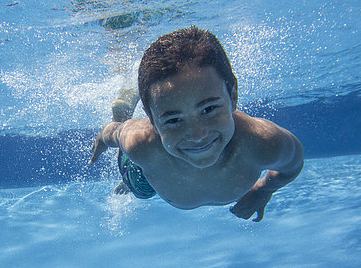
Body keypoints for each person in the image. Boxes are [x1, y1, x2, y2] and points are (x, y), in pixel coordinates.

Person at [89, 26, 304, 222]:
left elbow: (293, 165)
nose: (197, 134)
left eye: (208, 109)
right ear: (152, 120)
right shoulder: (140, 144)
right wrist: (102, 139)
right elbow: (114, 133)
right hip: (149, 173)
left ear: (233, 95)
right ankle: (123, 109)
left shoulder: (263, 142)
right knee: (139, 189)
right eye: (173, 120)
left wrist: (264, 190)